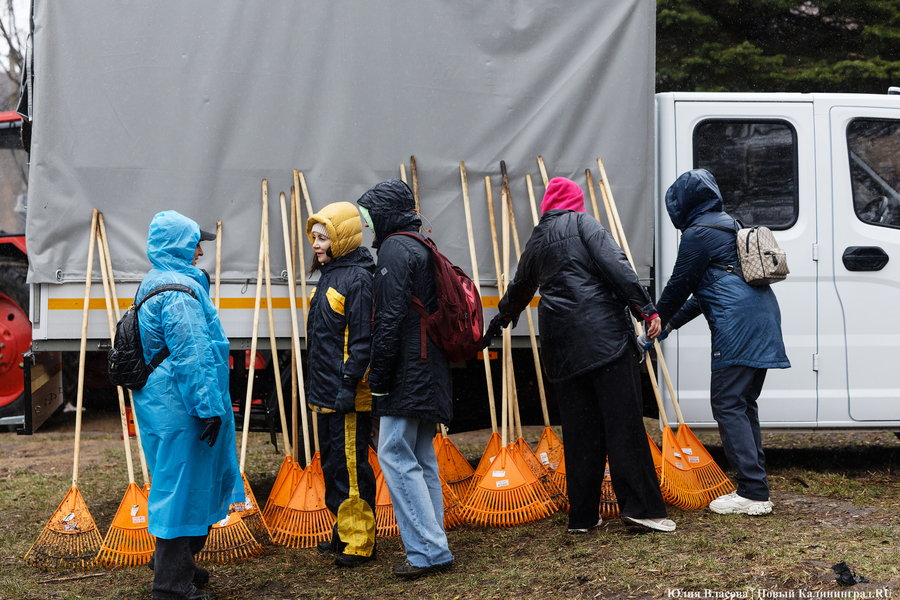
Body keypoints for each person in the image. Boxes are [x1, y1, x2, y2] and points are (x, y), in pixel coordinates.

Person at [487, 177, 675, 533]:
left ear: (547, 207)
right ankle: (642, 510)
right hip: (605, 342)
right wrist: (646, 309)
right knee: (624, 426)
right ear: (576, 202)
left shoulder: (538, 238)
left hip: (562, 349)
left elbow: (521, 286)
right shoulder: (584, 223)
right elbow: (616, 265)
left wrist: (503, 317)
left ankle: (583, 517)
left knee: (580, 433)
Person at [654, 169, 790, 516]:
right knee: (743, 403)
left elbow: (679, 285)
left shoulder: (699, 234)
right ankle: (755, 487)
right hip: (763, 321)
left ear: (683, 205)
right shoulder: (730, 224)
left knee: (728, 404)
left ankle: (753, 493)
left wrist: (653, 317)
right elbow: (703, 295)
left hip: (738, 327)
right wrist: (667, 326)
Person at [132, 210, 243, 600]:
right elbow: (193, 356)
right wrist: (208, 408)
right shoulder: (179, 292)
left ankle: (177, 566)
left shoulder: (157, 281)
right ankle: (171, 586)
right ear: (180, 244)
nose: (200, 251)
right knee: (181, 489)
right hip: (182, 405)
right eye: (196, 242)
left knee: (184, 484)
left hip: (163, 402)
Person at [356, 179, 455, 579]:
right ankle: (435, 544)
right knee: (421, 457)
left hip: (407, 371)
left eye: (369, 217)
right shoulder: (421, 244)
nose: (367, 225)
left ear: (384, 214)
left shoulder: (395, 250)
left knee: (393, 455)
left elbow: (388, 320)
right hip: (429, 367)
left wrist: (378, 378)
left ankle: (428, 552)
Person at [305, 202, 378, 567]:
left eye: (323, 238)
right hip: (326, 394)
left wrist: (349, 386)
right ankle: (343, 529)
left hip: (347, 395)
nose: (316, 245)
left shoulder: (358, 279)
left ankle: (360, 541)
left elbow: (361, 340)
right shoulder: (331, 275)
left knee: (351, 467)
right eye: (315, 238)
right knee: (333, 466)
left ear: (342, 238)